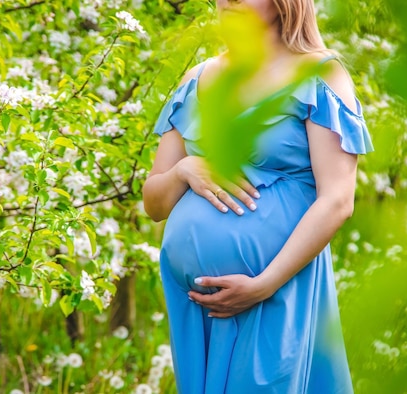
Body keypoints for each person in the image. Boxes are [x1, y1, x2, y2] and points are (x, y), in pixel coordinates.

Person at [142, 0, 374, 393]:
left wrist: (264, 284)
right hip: (199, 309)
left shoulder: (319, 74)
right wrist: (184, 170)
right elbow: (154, 204)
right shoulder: (198, 79)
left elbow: (337, 200)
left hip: (274, 291)